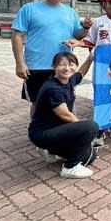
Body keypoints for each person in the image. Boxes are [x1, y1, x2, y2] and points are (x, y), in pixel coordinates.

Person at [12, 0, 92, 117]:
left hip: (63, 66)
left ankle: (65, 130)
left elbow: (77, 35)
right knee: (37, 101)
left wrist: (85, 27)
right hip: (36, 65)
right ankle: (37, 130)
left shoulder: (70, 12)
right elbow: (17, 36)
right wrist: (20, 64)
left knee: (65, 99)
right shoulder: (29, 9)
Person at [64, 0, 111, 140]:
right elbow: (90, 40)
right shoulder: (98, 22)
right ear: (106, 4)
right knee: (101, 95)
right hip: (101, 65)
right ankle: (100, 129)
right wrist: (79, 43)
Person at [29, 51, 98, 179]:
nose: (67, 68)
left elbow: (81, 73)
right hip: (42, 133)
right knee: (91, 127)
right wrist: (84, 132)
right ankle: (70, 168)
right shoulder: (52, 88)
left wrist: (89, 58)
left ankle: (50, 150)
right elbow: (66, 115)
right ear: (53, 66)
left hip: (57, 130)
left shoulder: (69, 79)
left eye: (71, 64)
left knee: (90, 156)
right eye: (62, 64)